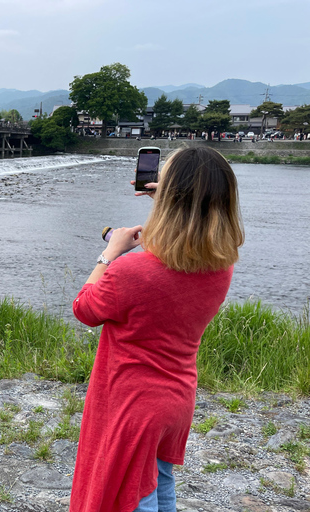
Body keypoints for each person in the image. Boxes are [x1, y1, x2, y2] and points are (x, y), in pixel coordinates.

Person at [69, 146, 244, 512]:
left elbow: (84, 309)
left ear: (171, 197)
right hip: (177, 399)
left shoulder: (129, 272)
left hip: (134, 405)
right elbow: (180, 248)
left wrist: (109, 255)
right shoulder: (220, 266)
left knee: (132, 496)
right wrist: (164, 198)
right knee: (159, 481)